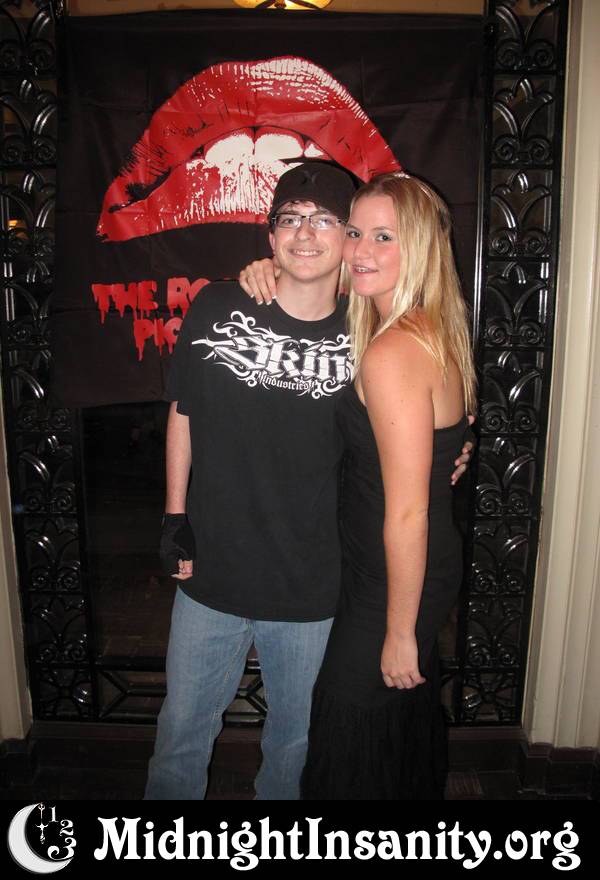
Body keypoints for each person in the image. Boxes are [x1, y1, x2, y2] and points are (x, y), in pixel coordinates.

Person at [146, 162, 472, 801]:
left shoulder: (369, 329)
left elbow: (426, 404)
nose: (305, 234)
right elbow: (184, 410)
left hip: (316, 583)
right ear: (270, 235)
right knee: (179, 736)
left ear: (343, 240)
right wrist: (174, 515)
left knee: (295, 748)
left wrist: (454, 449)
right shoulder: (219, 304)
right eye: (290, 220)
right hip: (212, 571)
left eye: (325, 221)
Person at [300, 172, 477, 800]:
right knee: (392, 724)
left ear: (421, 248)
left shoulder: (393, 351)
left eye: (384, 237)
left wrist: (399, 632)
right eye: (355, 232)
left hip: (394, 580)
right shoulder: (426, 330)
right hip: (398, 571)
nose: (359, 250)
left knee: (348, 732)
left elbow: (407, 514)